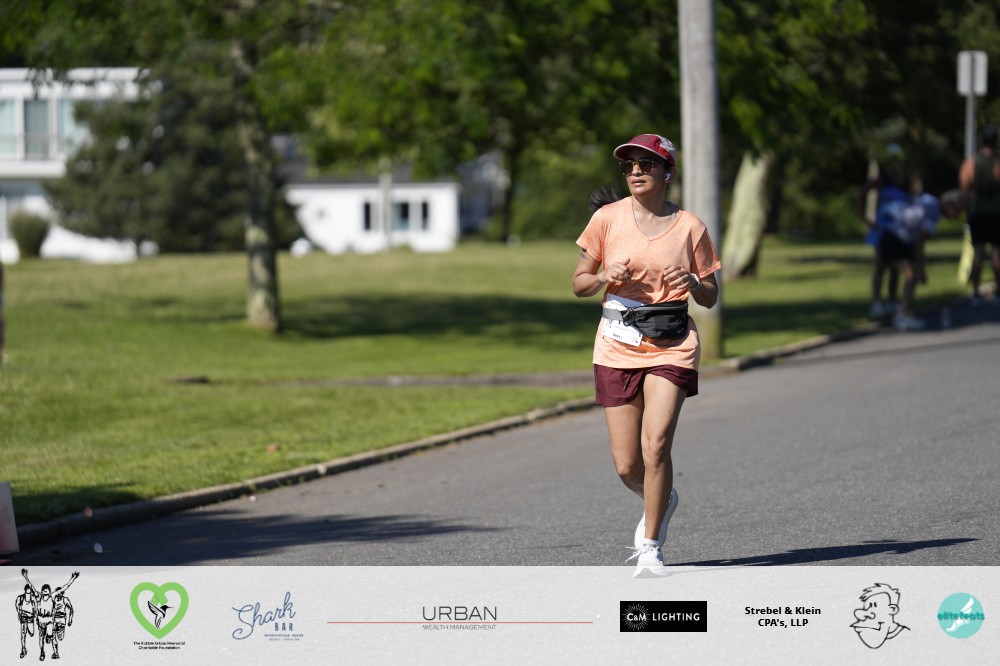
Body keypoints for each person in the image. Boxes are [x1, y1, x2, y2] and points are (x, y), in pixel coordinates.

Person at [572, 133, 721, 576]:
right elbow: (579, 284)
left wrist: (694, 283)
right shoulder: (606, 219)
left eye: (647, 164)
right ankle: (663, 498)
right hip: (616, 345)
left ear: (667, 172)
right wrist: (603, 277)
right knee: (627, 465)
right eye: (629, 166)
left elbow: (711, 295)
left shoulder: (690, 226)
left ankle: (651, 546)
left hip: (672, 344)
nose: (636, 171)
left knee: (655, 445)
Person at [858, 143, 910, 319]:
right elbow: (861, 194)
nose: (893, 165)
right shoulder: (882, 179)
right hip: (883, 228)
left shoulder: (906, 180)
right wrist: (866, 219)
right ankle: (876, 302)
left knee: (896, 266)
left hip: (900, 228)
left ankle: (892, 300)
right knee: (881, 264)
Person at [877, 193, 943, 330]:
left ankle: (901, 309)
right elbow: (920, 243)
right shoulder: (933, 213)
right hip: (894, 239)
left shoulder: (928, 200)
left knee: (908, 275)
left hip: (900, 238)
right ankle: (901, 315)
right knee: (911, 275)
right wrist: (921, 269)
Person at [958, 124, 1000, 304]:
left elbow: (964, 189)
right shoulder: (997, 162)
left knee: (978, 252)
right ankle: (998, 291)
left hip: (977, 212)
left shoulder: (971, 162)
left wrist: (968, 207)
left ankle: (975, 291)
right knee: (996, 252)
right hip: (996, 212)